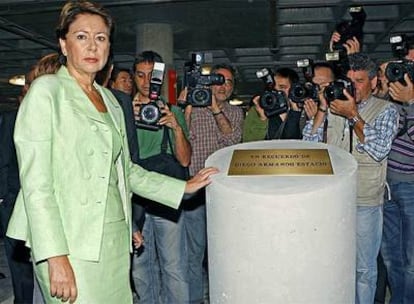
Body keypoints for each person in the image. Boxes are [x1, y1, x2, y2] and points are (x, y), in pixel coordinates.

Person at [5, 2, 217, 303]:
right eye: (81, 37)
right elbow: (36, 186)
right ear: (64, 44)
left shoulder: (111, 100)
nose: (93, 45)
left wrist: (183, 186)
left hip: (113, 242)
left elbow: (124, 171)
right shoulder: (46, 92)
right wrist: (55, 257)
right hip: (70, 244)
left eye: (101, 38)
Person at [302, 52, 399, 304]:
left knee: (364, 269)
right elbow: (307, 146)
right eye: (349, 80)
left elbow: (379, 150)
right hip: (330, 200)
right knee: (330, 263)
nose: (352, 86)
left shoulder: (387, 110)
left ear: (374, 82)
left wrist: (353, 114)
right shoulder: (333, 106)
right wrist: (323, 111)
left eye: (359, 81)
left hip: (365, 201)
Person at [179, 63, 244, 303]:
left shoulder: (236, 112)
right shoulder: (192, 108)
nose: (223, 86)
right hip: (194, 191)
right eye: (219, 80)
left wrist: (215, 109)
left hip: (223, 194)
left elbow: (232, 139)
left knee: (224, 252)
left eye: (228, 82)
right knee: (193, 255)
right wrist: (185, 107)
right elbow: (180, 137)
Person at [130, 50, 191, 304]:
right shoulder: (122, 110)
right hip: (135, 199)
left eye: (151, 76)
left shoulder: (172, 111)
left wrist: (175, 126)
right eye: (141, 76)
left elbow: (186, 160)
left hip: (167, 199)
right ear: (134, 77)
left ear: (161, 78)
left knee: (174, 267)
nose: (146, 82)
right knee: (140, 269)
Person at [380, 36, 414, 304]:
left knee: (413, 261)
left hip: (412, 187)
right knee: (393, 258)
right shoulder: (397, 92)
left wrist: (411, 101)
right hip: (388, 185)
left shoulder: (408, 96)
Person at [242, 67, 302, 142]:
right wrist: (262, 119)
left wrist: (295, 111)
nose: (276, 91)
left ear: (293, 88)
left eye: (282, 87)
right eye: (273, 88)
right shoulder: (257, 110)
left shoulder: (303, 112)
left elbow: (295, 143)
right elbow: (248, 144)